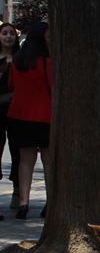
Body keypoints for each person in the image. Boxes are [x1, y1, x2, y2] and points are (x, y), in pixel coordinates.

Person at [7, 22, 52, 220]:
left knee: (25, 161)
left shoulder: (16, 61)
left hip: (19, 115)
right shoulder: (47, 62)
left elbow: (11, 85)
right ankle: (50, 202)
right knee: (48, 160)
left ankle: (23, 202)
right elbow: (53, 86)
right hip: (45, 115)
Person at [0, 22, 21, 210]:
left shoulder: (20, 59)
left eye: (11, 34)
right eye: (5, 33)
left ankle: (18, 192)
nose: (8, 37)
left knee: (17, 151)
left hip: (16, 111)